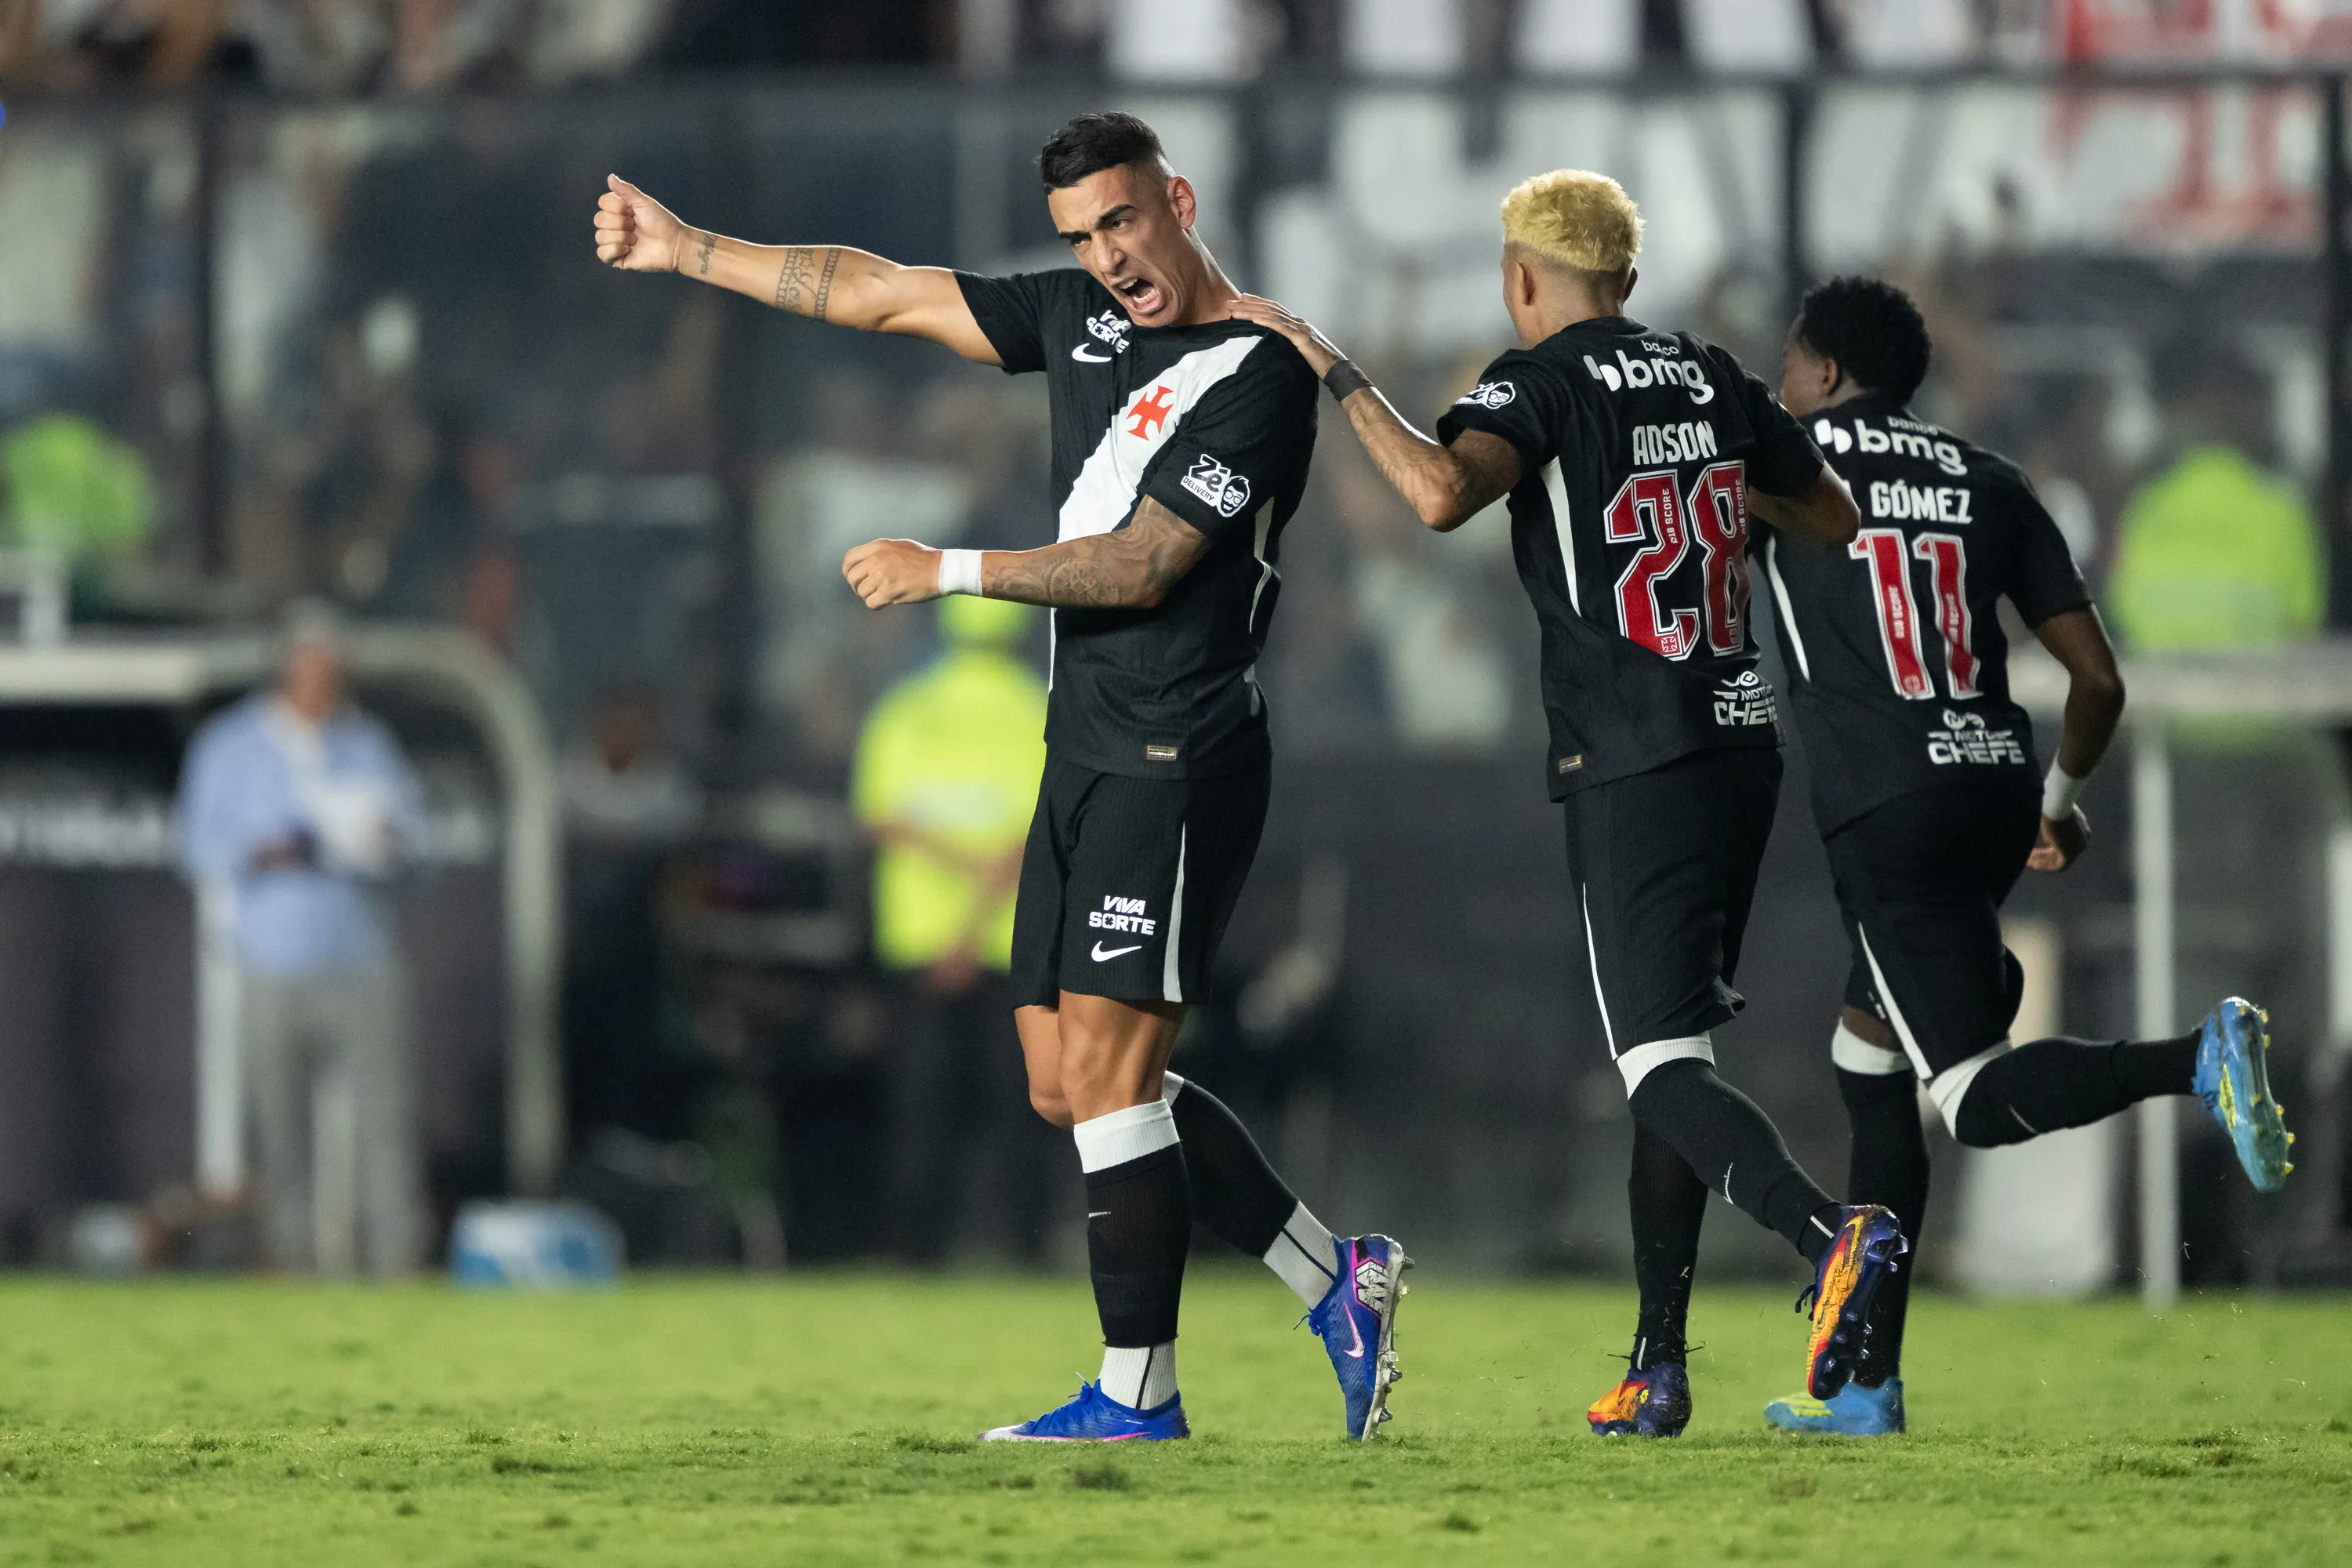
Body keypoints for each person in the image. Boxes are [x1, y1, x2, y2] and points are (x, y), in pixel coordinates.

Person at [595, 110, 1410, 1442]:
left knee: (1111, 1077)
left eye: (1122, 221)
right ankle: (1337, 1277)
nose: (1107, 258)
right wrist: (690, 250)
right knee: (1066, 1083)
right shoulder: (1079, 320)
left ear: (1179, 202)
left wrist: (949, 569)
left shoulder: (1260, 369)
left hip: (1180, 750)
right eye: (1080, 237)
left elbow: (1143, 564)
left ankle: (1138, 1394)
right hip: (1080, 744)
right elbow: (881, 291)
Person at [1229, 169, 1904, 1438]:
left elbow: (1439, 494)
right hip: (1741, 742)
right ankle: (1657, 1364)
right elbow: (1830, 513)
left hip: (1635, 755)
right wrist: (1712, 491)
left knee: (1653, 1067)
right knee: (1676, 1057)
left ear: (1520, 276)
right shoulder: (1708, 375)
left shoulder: (1535, 382)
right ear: (1629, 280)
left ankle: (1829, 1236)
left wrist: (1336, 370)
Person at [1751, 276, 2293, 1436]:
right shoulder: (1987, 477)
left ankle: (2197, 1056)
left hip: (1887, 809)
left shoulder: (1787, 467)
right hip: (1994, 788)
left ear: (1827, 372)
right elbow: (2097, 679)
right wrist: (2058, 802)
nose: (1779, 379)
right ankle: (1865, 1385)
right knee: (1866, 1059)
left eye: (1791, 360)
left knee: (1973, 1099)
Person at [177, 602, 430, 1276]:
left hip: (362, 960)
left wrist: (385, 840)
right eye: (310, 666)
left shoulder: (369, 745)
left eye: (332, 668)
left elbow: (419, 845)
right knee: (280, 1126)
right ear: (285, 668)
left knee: (385, 1120)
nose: (322, 680)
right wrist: (262, 851)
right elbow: (197, 846)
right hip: (272, 963)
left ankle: (397, 1257)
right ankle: (289, 1258)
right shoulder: (231, 747)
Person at [850, 595, 1059, 1264]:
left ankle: (916, 1250)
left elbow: (881, 817)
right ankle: (1023, 1248)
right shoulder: (1041, 710)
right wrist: (974, 922)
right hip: (1010, 943)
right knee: (1021, 1104)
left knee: (920, 1105)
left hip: (918, 944)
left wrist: (948, 915)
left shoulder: (904, 708)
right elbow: (1042, 831)